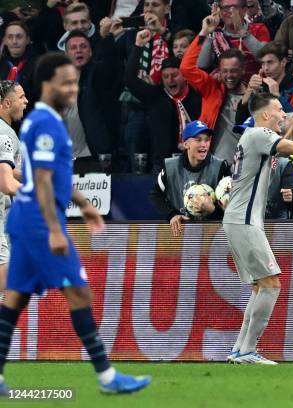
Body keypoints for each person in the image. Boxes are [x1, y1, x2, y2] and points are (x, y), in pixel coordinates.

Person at [0, 52, 151, 395]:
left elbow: (52, 176)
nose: (72, 88)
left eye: (75, 82)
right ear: (47, 84)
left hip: (27, 221)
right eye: (65, 82)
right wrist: (55, 229)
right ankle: (108, 377)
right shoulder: (43, 124)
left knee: (14, 299)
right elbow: (39, 179)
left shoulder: (47, 120)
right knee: (78, 292)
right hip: (39, 223)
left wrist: (83, 204)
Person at [222, 92, 293, 364]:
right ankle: (248, 350)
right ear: (264, 116)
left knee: (261, 287)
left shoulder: (255, 138)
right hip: (245, 222)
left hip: (239, 221)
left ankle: (240, 350)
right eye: (279, 109)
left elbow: (290, 142)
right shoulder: (258, 134)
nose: (284, 113)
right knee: (271, 285)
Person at [126, 29, 202, 173]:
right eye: (165, 76)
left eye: (174, 75)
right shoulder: (155, 95)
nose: (170, 80)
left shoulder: (197, 94)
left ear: (184, 75)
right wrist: (137, 46)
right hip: (162, 165)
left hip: (195, 161)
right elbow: (130, 78)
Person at [150, 120, 231, 236]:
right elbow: (155, 194)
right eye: (198, 140)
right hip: (181, 234)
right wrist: (171, 214)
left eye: (207, 140)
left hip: (213, 235)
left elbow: (232, 212)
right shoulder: (170, 167)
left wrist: (212, 210)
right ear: (186, 144)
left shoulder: (221, 167)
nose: (204, 144)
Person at [181, 30, 247, 163]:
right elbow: (186, 68)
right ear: (219, 70)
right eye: (225, 71)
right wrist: (203, 33)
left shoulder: (254, 96)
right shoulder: (212, 89)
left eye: (234, 71)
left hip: (244, 165)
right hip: (213, 164)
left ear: (243, 70)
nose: (229, 76)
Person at [63, 30, 121, 174]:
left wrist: (106, 37)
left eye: (83, 46)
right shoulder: (57, 83)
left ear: (90, 52)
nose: (78, 51)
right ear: (66, 54)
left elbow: (111, 66)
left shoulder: (98, 74)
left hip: (94, 157)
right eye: (73, 47)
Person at [0, 80, 26, 291]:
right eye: (21, 97)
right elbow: (6, 183)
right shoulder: (5, 135)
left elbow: (6, 171)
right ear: (7, 104)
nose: (26, 101)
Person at [0, 21, 38, 103]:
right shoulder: (1, 64)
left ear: (28, 40)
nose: (14, 41)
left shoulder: (39, 64)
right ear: (5, 40)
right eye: (10, 37)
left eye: (19, 37)